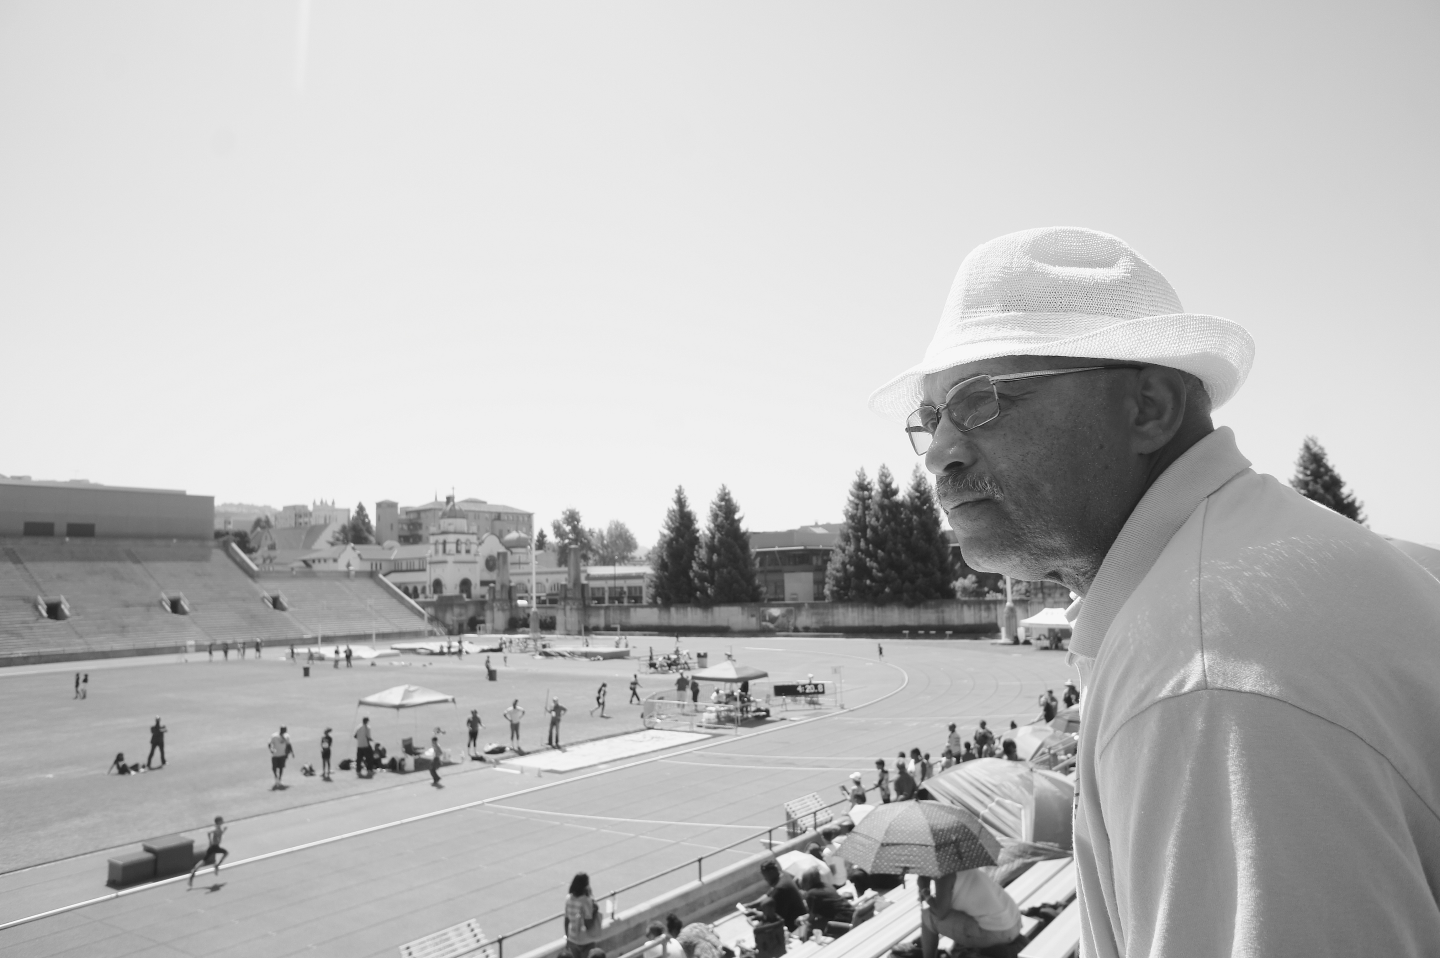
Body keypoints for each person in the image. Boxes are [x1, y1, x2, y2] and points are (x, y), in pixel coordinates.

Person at [872, 224, 1440, 955]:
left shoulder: (1200, 671)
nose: (940, 452)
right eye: (931, 418)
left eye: (982, 402)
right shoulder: (1252, 563)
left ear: (1149, 408)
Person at [917, 868, 1021, 957]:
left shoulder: (944, 876)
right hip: (1014, 923)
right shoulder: (966, 867)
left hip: (998, 933)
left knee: (928, 916)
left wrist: (925, 892)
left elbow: (940, 913)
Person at [740, 860, 806, 931]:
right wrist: (750, 905)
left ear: (772, 872)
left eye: (766, 876)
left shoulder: (780, 888)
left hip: (795, 926)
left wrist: (754, 913)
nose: (765, 879)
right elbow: (767, 895)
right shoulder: (783, 876)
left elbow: (774, 916)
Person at [797, 868, 854, 940]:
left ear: (807, 882)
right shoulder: (826, 886)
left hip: (842, 920)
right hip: (851, 913)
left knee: (811, 927)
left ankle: (805, 945)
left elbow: (811, 919)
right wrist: (804, 917)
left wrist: (802, 919)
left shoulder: (811, 894)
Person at [564, 872, 603, 958]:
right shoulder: (586, 901)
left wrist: (567, 938)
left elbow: (566, 921)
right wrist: (595, 911)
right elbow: (588, 924)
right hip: (586, 940)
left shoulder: (568, 899)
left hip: (572, 939)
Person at [187, 816, 228, 888]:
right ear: (218, 821)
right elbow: (209, 833)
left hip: (215, 847)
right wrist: (210, 841)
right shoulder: (216, 828)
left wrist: (224, 831)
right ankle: (216, 866)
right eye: (222, 820)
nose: (223, 821)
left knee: (204, 861)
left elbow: (219, 835)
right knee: (225, 853)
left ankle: (194, 873)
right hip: (213, 847)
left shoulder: (219, 828)